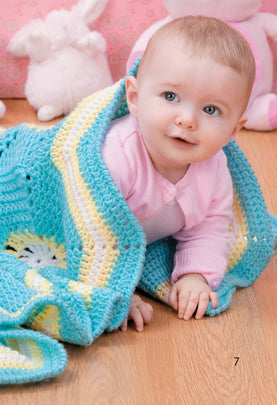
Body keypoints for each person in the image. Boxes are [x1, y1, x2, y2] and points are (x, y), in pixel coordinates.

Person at [103, 16, 256, 331]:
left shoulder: (214, 169)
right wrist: (115, 289)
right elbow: (91, 231)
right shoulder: (117, 157)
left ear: (232, 130)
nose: (187, 119)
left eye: (210, 109)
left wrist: (195, 275)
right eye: (170, 96)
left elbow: (209, 227)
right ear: (134, 98)